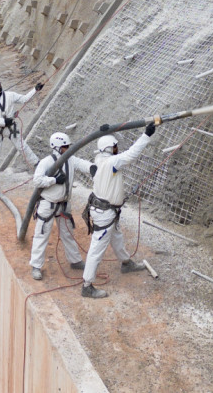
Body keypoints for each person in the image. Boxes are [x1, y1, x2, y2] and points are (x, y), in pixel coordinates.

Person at [80, 121, 156, 298]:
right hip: (105, 212)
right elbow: (132, 154)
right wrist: (146, 135)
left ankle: (126, 263)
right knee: (97, 248)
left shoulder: (100, 159)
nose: (117, 149)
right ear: (109, 149)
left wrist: (102, 132)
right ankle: (87, 285)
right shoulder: (111, 162)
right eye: (114, 146)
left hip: (106, 211)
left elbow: (109, 149)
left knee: (117, 236)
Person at [28, 133, 87, 281]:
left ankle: (75, 260)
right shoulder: (46, 162)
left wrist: (94, 168)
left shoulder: (71, 160)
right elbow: (37, 180)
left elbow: (82, 164)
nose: (68, 149)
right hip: (48, 205)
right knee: (42, 235)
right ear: (57, 147)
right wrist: (53, 180)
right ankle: (36, 265)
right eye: (65, 147)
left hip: (64, 205)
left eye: (68, 146)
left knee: (68, 234)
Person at [0, 76, 43, 182]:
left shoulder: (10, 95)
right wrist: (4, 122)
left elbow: (24, 99)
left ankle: (37, 165)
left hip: (11, 128)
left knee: (22, 146)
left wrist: (35, 90)